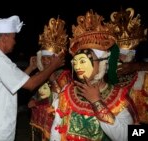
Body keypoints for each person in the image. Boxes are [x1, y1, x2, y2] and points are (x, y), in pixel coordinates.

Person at [50, 10, 138, 141]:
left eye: (83, 61)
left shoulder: (120, 98)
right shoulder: (67, 93)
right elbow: (56, 130)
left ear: (103, 62)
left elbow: (133, 135)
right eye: (76, 61)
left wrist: (97, 102)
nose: (78, 66)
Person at [0, 15, 65, 141]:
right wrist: (53, 66)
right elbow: (31, 84)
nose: (14, 41)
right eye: (13, 38)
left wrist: (30, 67)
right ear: (4, 38)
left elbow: (15, 81)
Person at [27, 17, 71, 140]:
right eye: (44, 58)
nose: (46, 61)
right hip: (41, 120)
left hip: (56, 122)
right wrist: (34, 100)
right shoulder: (41, 74)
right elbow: (39, 94)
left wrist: (52, 80)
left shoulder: (64, 75)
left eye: (50, 58)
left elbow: (64, 100)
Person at [111, 7, 148, 123]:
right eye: (118, 54)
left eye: (126, 53)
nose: (121, 58)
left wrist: (137, 66)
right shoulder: (106, 74)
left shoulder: (144, 77)